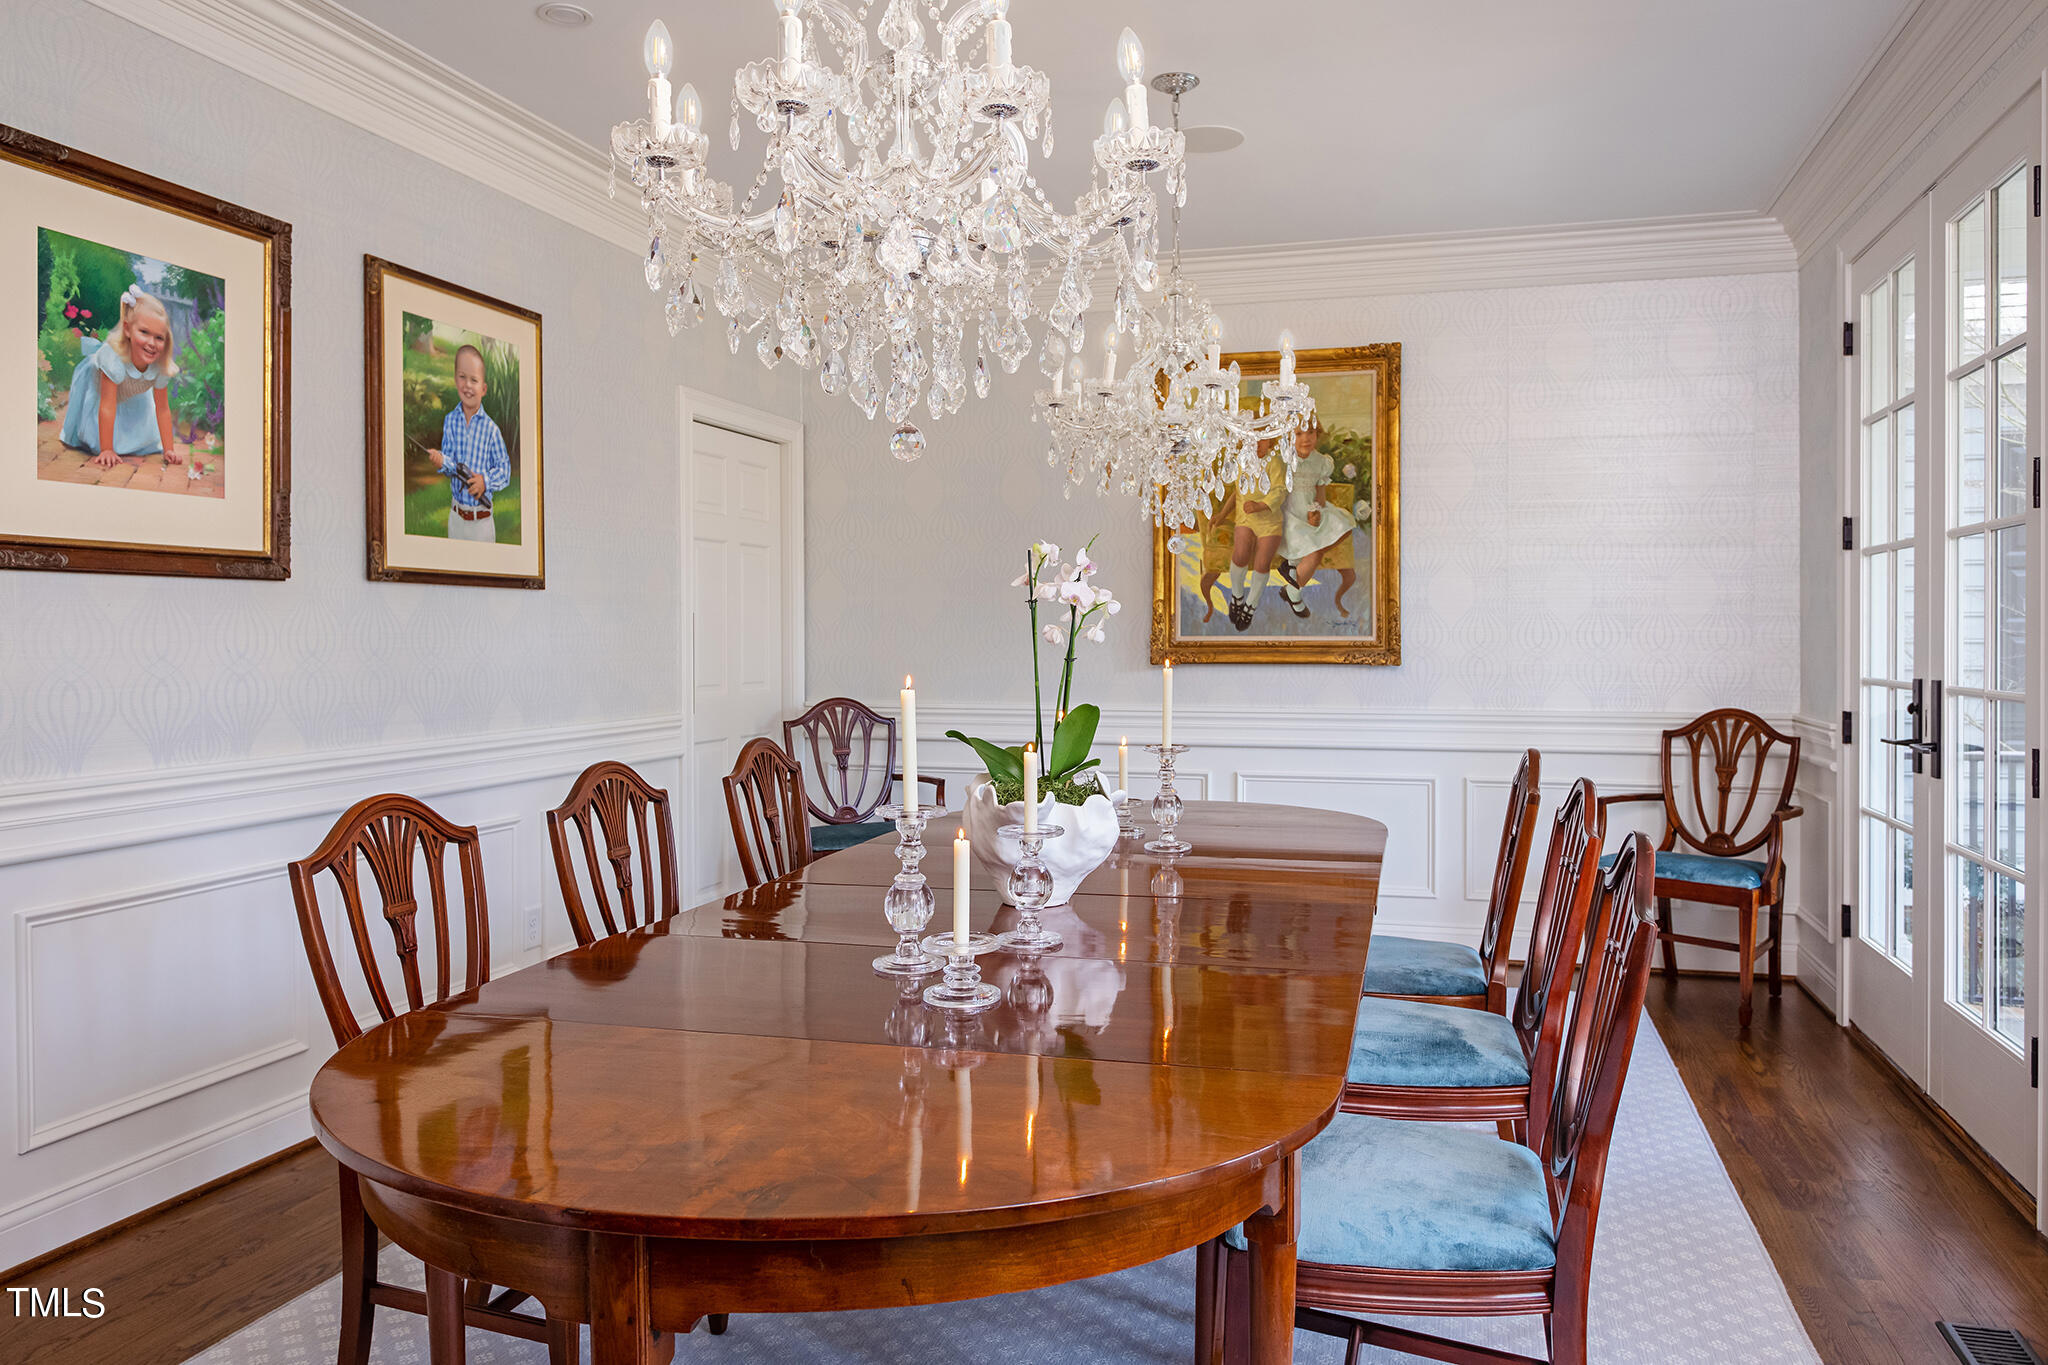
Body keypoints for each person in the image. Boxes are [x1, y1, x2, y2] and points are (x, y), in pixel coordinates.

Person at [59, 287, 186, 470]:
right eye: (144, 332)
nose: (152, 343)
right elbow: (108, 406)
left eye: (159, 337)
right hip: (98, 387)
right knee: (98, 425)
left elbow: (163, 409)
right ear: (127, 329)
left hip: (130, 390)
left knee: (142, 412)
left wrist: (169, 449)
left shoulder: (160, 366)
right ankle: (106, 443)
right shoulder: (113, 360)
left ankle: (128, 440)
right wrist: (107, 450)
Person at [425, 344, 510, 542]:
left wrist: (485, 481)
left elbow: (505, 470)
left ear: (484, 388)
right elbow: (451, 466)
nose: (467, 385)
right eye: (462, 377)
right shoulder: (450, 421)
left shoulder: (491, 430)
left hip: (482, 523)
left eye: (474, 380)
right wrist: (441, 461)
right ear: (455, 379)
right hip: (456, 518)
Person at [1275, 418, 1356, 619]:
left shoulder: (1321, 461)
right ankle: (1294, 592)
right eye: (1299, 434)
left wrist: (1316, 510)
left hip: (1310, 510)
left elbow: (1319, 492)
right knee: (1314, 553)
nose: (1306, 439)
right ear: (1288, 437)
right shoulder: (1283, 459)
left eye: (1310, 432)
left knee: (1343, 525)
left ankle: (1291, 584)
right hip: (1289, 514)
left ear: (1317, 434)